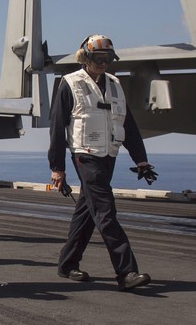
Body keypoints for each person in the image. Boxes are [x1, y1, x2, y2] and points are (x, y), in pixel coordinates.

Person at [48, 34, 154, 292]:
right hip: (85, 155)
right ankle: (126, 272)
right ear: (86, 57)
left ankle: (67, 263)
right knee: (106, 211)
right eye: (99, 58)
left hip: (109, 155)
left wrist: (141, 160)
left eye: (108, 59)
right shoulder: (70, 83)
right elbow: (57, 126)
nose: (104, 63)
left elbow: (127, 124)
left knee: (88, 211)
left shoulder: (116, 84)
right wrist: (57, 167)